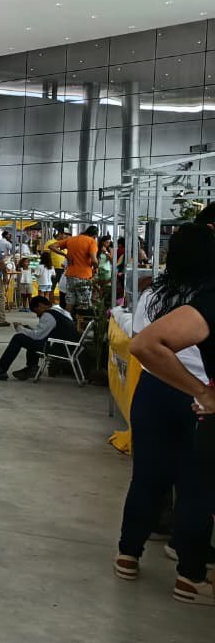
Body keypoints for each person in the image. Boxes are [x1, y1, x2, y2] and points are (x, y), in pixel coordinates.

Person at [113, 224, 215, 601]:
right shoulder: (206, 297)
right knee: (195, 487)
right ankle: (190, 573)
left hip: (153, 390)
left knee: (147, 478)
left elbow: (138, 335)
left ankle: (128, 554)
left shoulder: (154, 292)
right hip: (199, 397)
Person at [0, 295, 76, 381]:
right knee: (28, 337)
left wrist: (20, 328)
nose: (37, 315)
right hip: (68, 346)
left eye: (36, 311)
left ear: (41, 305)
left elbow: (37, 336)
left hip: (60, 349)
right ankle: (32, 367)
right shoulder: (60, 310)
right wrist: (29, 329)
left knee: (19, 338)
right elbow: (46, 331)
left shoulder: (48, 315)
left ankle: (1, 369)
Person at [55, 225, 98, 313]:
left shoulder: (71, 239)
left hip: (70, 275)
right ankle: (80, 325)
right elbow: (94, 260)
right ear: (95, 235)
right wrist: (96, 267)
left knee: (70, 302)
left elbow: (52, 246)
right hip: (84, 277)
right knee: (84, 304)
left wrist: (65, 255)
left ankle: (67, 321)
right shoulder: (91, 241)